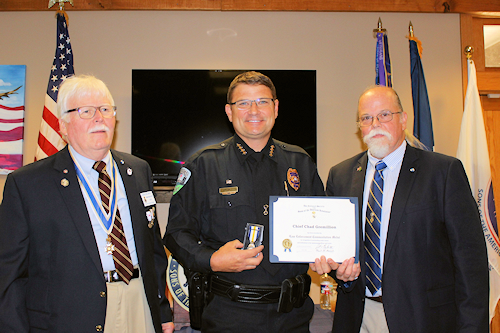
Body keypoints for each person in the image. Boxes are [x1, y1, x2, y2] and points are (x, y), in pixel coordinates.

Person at [164, 71, 357, 332]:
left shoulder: (300, 162)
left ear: (276, 108)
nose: (254, 110)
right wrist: (212, 260)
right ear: (229, 112)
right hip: (229, 316)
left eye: (263, 101)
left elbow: (323, 230)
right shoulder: (203, 165)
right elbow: (176, 233)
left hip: (293, 316)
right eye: (243, 103)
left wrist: (329, 261)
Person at [0, 75, 174, 333]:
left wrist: (161, 310)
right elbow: (9, 275)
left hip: (139, 305)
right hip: (70, 314)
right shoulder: (27, 184)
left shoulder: (138, 170)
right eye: (86, 111)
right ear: (63, 126)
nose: (99, 118)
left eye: (105, 109)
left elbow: (153, 248)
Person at [317, 85, 489, 333]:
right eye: (366, 118)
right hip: (358, 317)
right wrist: (339, 273)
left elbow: (470, 262)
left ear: (403, 119)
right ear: (359, 126)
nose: (375, 123)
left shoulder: (443, 172)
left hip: (424, 319)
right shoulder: (341, 175)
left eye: (385, 115)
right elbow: (339, 250)